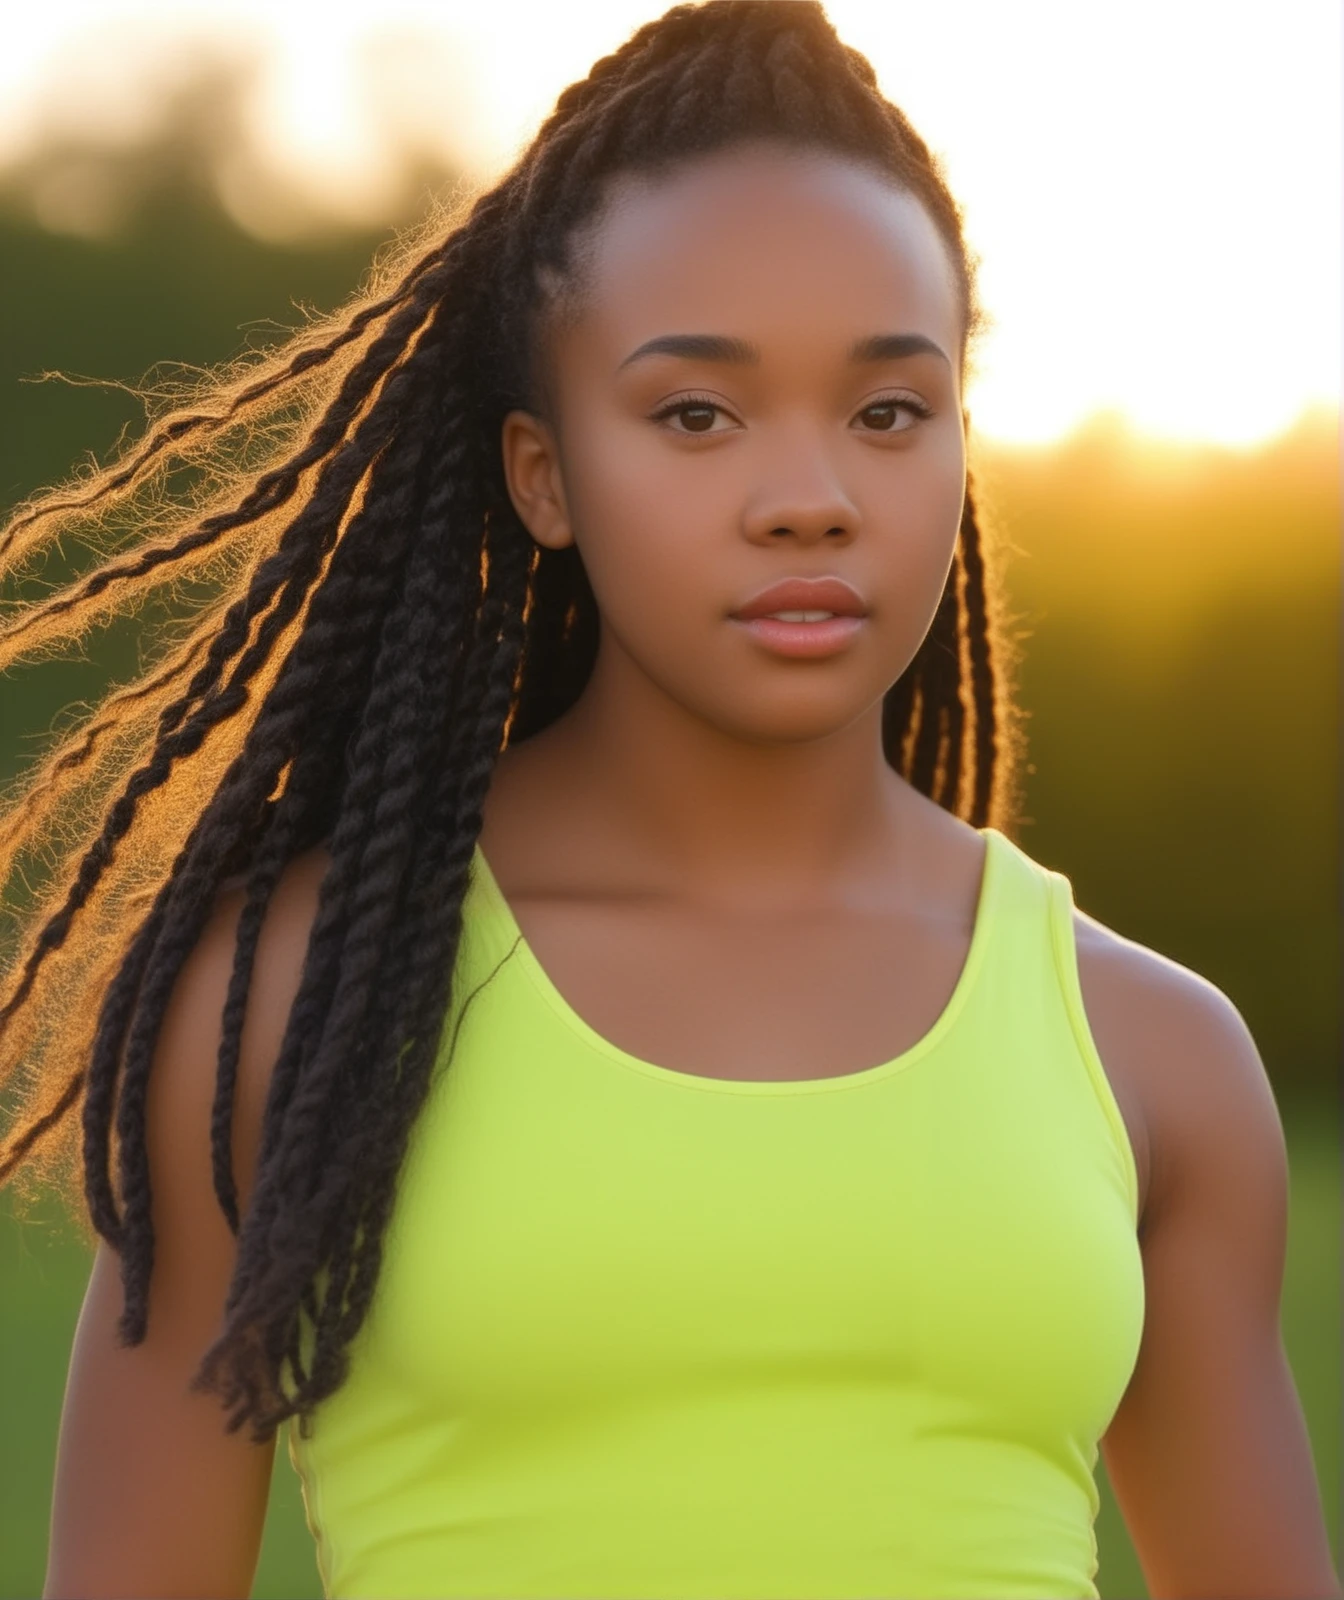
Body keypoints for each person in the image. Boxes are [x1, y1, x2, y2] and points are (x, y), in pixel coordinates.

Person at [0, 3, 1337, 1597]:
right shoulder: (301, 1009)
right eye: (696, 413)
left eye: (888, 411)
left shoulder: (1153, 1056)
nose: (810, 498)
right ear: (540, 471)